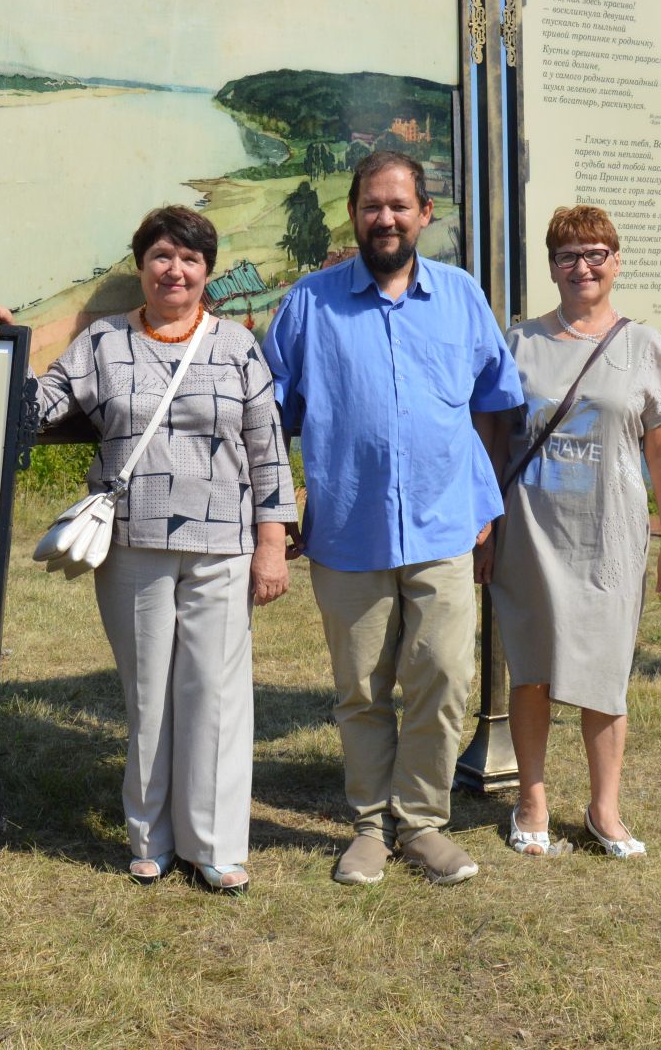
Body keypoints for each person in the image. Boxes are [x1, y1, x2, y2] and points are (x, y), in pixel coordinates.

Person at [0, 206, 296, 894]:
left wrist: (272, 544)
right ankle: (151, 838)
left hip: (222, 546)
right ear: (140, 266)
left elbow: (268, 451)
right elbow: (37, 406)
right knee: (149, 695)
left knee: (216, 696)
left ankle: (215, 845)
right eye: (162, 256)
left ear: (207, 271)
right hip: (132, 544)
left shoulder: (237, 346)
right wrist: (1, 341)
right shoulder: (103, 342)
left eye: (191, 258)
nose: (176, 269)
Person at [263, 150, 524, 887]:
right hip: (349, 529)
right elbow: (264, 418)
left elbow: (494, 402)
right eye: (372, 205)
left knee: (443, 675)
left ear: (424, 216)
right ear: (354, 213)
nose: (386, 218)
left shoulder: (461, 296)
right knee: (361, 690)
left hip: (445, 525)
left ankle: (424, 823)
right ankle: (371, 828)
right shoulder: (309, 304)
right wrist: (277, 513)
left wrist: (486, 501)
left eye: (399, 205)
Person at [475, 205, 661, 861]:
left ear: (617, 261)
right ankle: (532, 797)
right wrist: (483, 525)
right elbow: (492, 436)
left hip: (610, 535)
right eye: (569, 255)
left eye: (596, 252)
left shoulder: (640, 343)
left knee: (605, 671)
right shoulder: (521, 342)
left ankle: (604, 806)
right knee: (533, 666)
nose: (583, 266)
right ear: (551, 266)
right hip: (532, 531)